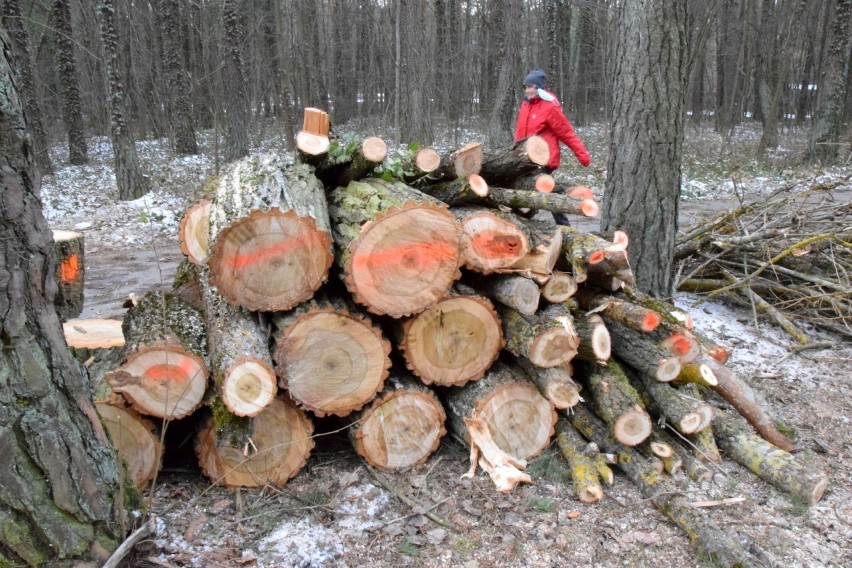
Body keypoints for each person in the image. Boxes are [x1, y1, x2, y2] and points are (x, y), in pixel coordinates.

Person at [514, 68, 591, 225]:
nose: (527, 90)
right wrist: (515, 152)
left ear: (539, 88)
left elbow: (566, 133)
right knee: (531, 189)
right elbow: (520, 131)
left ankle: (564, 227)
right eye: (525, 87)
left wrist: (582, 156)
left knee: (545, 190)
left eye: (530, 87)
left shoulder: (549, 106)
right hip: (527, 156)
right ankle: (525, 222)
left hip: (545, 158)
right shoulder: (526, 104)